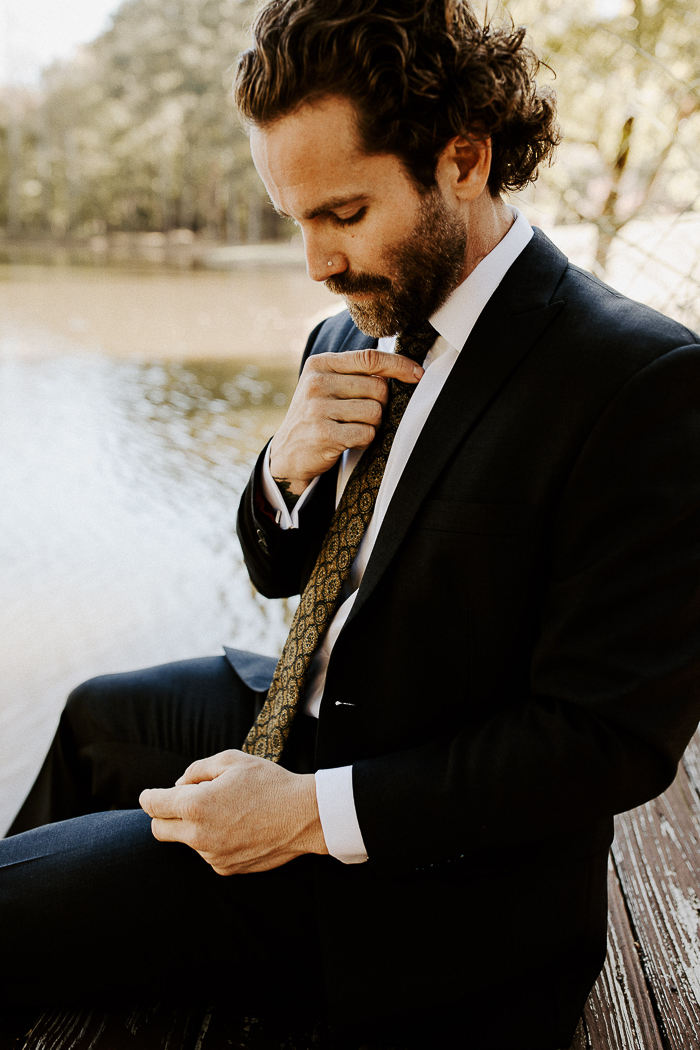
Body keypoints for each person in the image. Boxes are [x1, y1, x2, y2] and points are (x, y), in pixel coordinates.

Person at [3, 0, 700, 1047]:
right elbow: (281, 572)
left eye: (342, 213)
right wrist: (284, 467)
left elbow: (604, 744)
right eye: (297, 222)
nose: (319, 262)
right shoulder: (349, 323)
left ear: (463, 159)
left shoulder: (638, 380)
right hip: (318, 715)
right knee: (102, 714)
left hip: (426, 881)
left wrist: (299, 813)